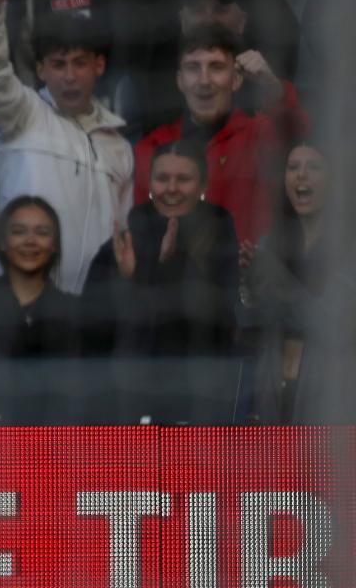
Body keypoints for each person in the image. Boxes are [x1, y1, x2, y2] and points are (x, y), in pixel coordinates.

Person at [0, 0, 132, 294]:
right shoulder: (19, 114)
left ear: (99, 65)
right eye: (58, 64)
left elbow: (122, 235)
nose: (69, 76)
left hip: (94, 311)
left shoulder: (120, 145)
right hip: (21, 309)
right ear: (40, 69)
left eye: (80, 63)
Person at [133, 24, 308, 244]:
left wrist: (273, 87)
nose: (204, 81)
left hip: (247, 276)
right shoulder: (150, 149)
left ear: (236, 79)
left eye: (216, 67)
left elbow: (301, 135)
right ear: (180, 81)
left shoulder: (260, 135)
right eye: (193, 68)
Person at [84, 140, 240, 355]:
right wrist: (124, 278)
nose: (172, 188)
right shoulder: (128, 239)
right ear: (149, 184)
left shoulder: (219, 231)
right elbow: (93, 325)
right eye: (162, 178)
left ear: (203, 186)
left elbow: (225, 316)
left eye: (183, 179)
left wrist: (175, 262)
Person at [242, 142, 334, 422]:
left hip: (331, 397)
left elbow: (332, 321)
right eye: (293, 168)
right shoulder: (270, 243)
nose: (301, 175)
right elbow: (251, 322)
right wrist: (248, 285)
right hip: (272, 393)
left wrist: (274, 278)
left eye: (313, 167)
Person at [0, 196, 80, 357]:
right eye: (19, 232)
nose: (30, 241)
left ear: (54, 244)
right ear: (2, 242)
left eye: (42, 232)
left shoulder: (71, 312)